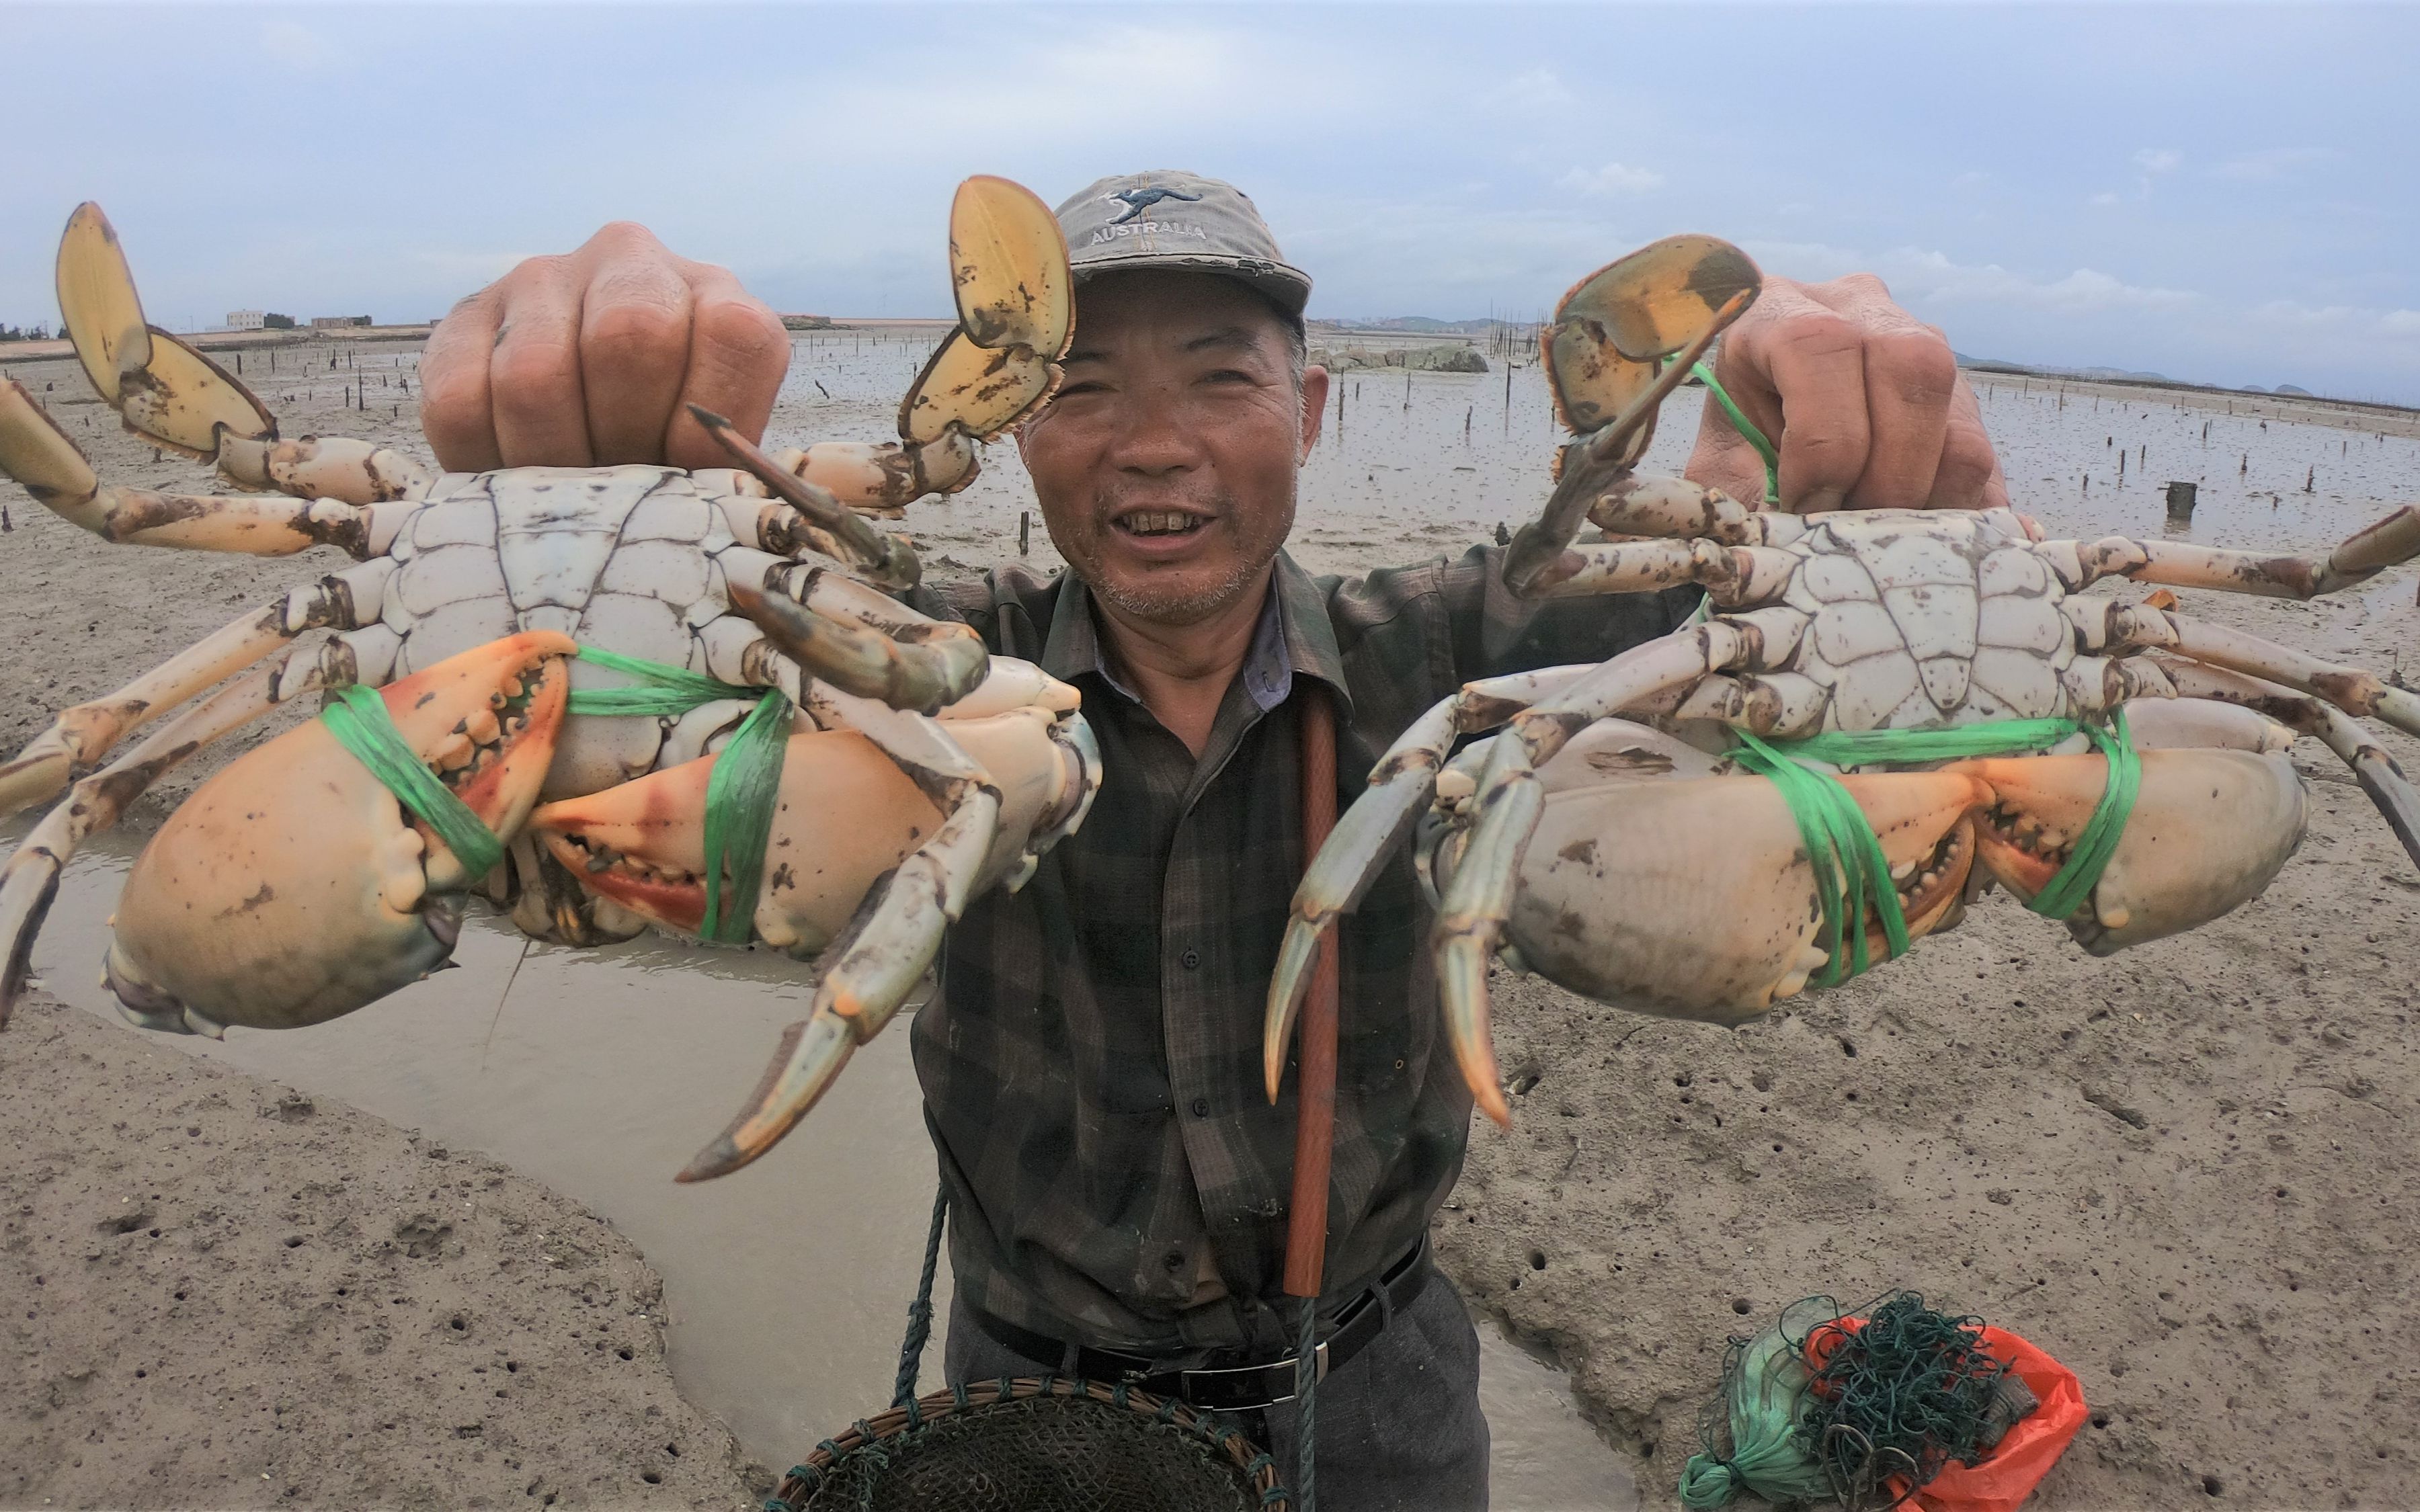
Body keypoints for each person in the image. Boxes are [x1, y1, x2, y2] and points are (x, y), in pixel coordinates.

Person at [422, 171, 2007, 1509]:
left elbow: (1722, 605)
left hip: (1377, 1390)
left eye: (1219, 377)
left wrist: (1818, 449)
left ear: (1311, 411)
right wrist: (592, 508)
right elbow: (629, 705)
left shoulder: (1450, 655)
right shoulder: (923, 673)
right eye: (1081, 387)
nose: (1153, 442)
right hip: (1027, 1403)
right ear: (1010, 428)